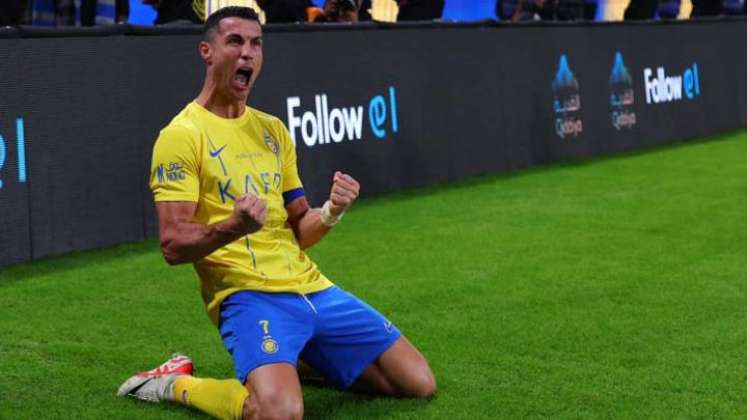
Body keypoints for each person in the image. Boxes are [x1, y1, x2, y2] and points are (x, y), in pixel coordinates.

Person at [117, 6, 436, 420]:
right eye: (235, 41)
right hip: (247, 296)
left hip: (312, 289)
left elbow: (299, 229)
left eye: (256, 44)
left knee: (416, 383)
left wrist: (333, 210)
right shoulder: (181, 137)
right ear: (207, 52)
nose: (247, 53)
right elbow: (173, 245)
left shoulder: (273, 131)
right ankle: (175, 382)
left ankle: (298, 358)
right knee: (279, 413)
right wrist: (235, 226)